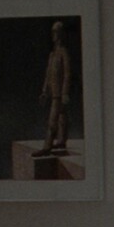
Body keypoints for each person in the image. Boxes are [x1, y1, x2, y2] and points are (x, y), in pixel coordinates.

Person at [36, 20, 72, 157]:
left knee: (53, 120)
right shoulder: (52, 55)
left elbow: (67, 73)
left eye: (56, 32)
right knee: (62, 116)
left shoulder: (63, 53)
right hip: (53, 92)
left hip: (59, 93)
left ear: (61, 34)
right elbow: (48, 74)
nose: (53, 35)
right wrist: (44, 91)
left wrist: (65, 93)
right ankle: (61, 140)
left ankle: (47, 146)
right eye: (53, 32)